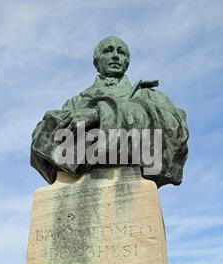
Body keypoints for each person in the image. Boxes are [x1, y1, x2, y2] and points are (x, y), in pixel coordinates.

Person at [30, 36, 189, 188]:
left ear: (126, 62)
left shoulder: (147, 95)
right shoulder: (76, 102)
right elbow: (48, 139)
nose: (115, 56)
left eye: (120, 52)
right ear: (96, 62)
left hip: (133, 173)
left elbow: (174, 128)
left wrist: (100, 114)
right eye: (108, 51)